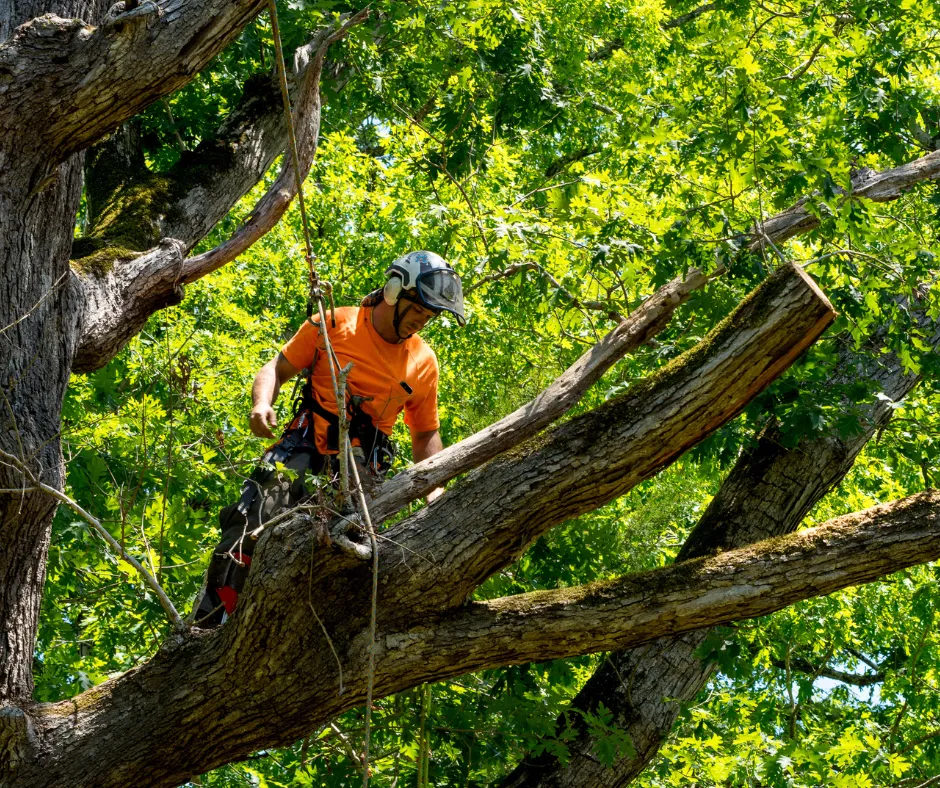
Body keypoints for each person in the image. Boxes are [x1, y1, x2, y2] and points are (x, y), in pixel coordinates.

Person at [192, 251, 465, 627]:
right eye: (419, 308)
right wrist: (261, 405)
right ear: (393, 291)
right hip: (305, 444)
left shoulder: (423, 361)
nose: (423, 320)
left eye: (431, 314)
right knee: (252, 523)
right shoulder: (335, 323)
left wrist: (435, 489)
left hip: (362, 468)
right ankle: (210, 622)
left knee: (342, 558)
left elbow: (425, 433)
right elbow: (276, 367)